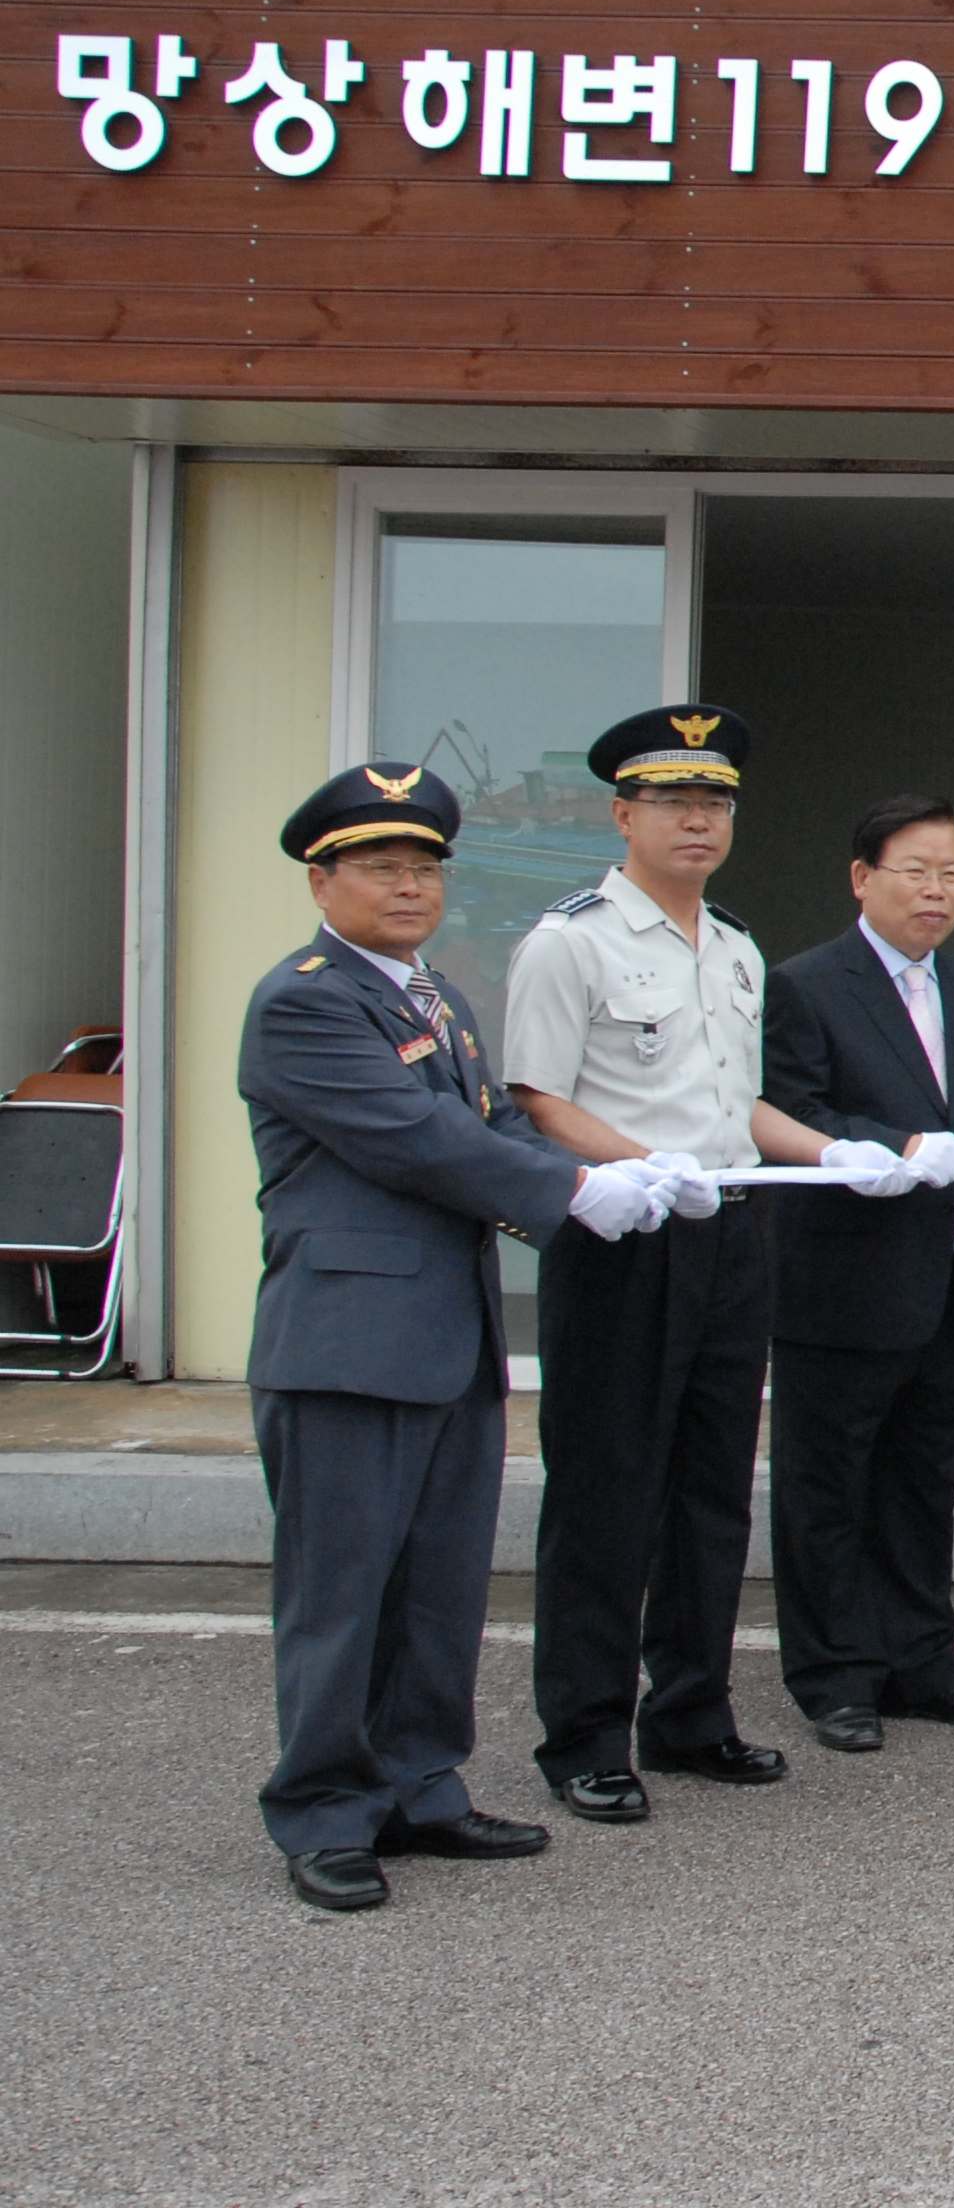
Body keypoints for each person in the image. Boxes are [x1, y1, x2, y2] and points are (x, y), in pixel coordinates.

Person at [241, 763, 674, 1911]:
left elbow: (489, 1128)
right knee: (341, 1598)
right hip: (346, 1345)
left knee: (437, 1591)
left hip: (446, 1337)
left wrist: (624, 1168)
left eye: (425, 868)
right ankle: (325, 1812)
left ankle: (419, 1787)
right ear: (321, 882)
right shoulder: (304, 1003)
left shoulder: (437, 1001)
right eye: (379, 867)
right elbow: (415, 1139)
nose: (409, 887)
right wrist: (574, 1190)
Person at [503, 702, 826, 1821]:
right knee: (607, 1492)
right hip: (626, 1235)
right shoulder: (572, 941)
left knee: (711, 1488)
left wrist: (836, 1154)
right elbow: (537, 1100)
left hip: (731, 1228)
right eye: (674, 801)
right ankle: (584, 1735)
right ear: (622, 814)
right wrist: (647, 1166)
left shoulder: (734, 946)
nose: (698, 821)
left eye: (715, 803)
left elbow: (740, 1106)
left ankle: (690, 1711)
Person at [756, 793, 954, 1753]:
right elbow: (790, 1108)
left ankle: (922, 1661)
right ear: (862, 877)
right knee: (828, 1486)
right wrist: (891, 1144)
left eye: (953, 873)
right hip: (846, 1278)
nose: (936, 890)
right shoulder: (805, 984)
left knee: (924, 1482)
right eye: (916, 870)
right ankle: (834, 1676)